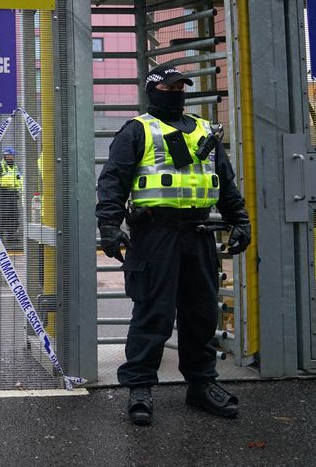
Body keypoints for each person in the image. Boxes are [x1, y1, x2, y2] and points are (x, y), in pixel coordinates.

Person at [96, 64, 252, 426]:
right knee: (154, 313)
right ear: (154, 90)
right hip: (154, 235)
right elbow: (113, 182)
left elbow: (223, 182)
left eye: (182, 86)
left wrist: (239, 219)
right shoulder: (138, 130)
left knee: (201, 314)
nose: (178, 92)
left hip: (198, 235)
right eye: (170, 86)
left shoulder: (204, 130)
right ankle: (140, 388)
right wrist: (108, 225)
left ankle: (201, 384)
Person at [0, 146, 23, 245]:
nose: (11, 157)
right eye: (9, 155)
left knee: (13, 216)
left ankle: (11, 236)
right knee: (1, 216)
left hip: (13, 195)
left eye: (12, 155)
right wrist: (0, 189)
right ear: (5, 155)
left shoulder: (15, 166)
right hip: (3, 195)